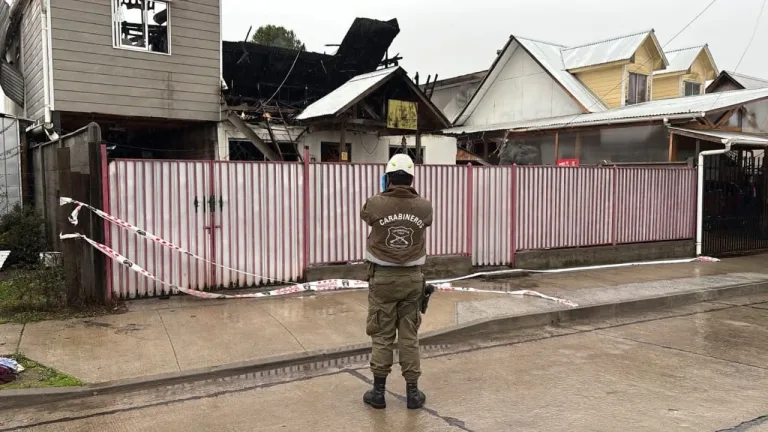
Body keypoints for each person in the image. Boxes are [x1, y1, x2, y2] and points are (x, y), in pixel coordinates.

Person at [360, 153, 433, 410]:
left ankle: (378, 393)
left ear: (387, 178)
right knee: (409, 337)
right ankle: (413, 393)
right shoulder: (424, 206)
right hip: (413, 279)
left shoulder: (375, 203)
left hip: (383, 278)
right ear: (412, 178)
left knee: (382, 335)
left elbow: (367, 215)